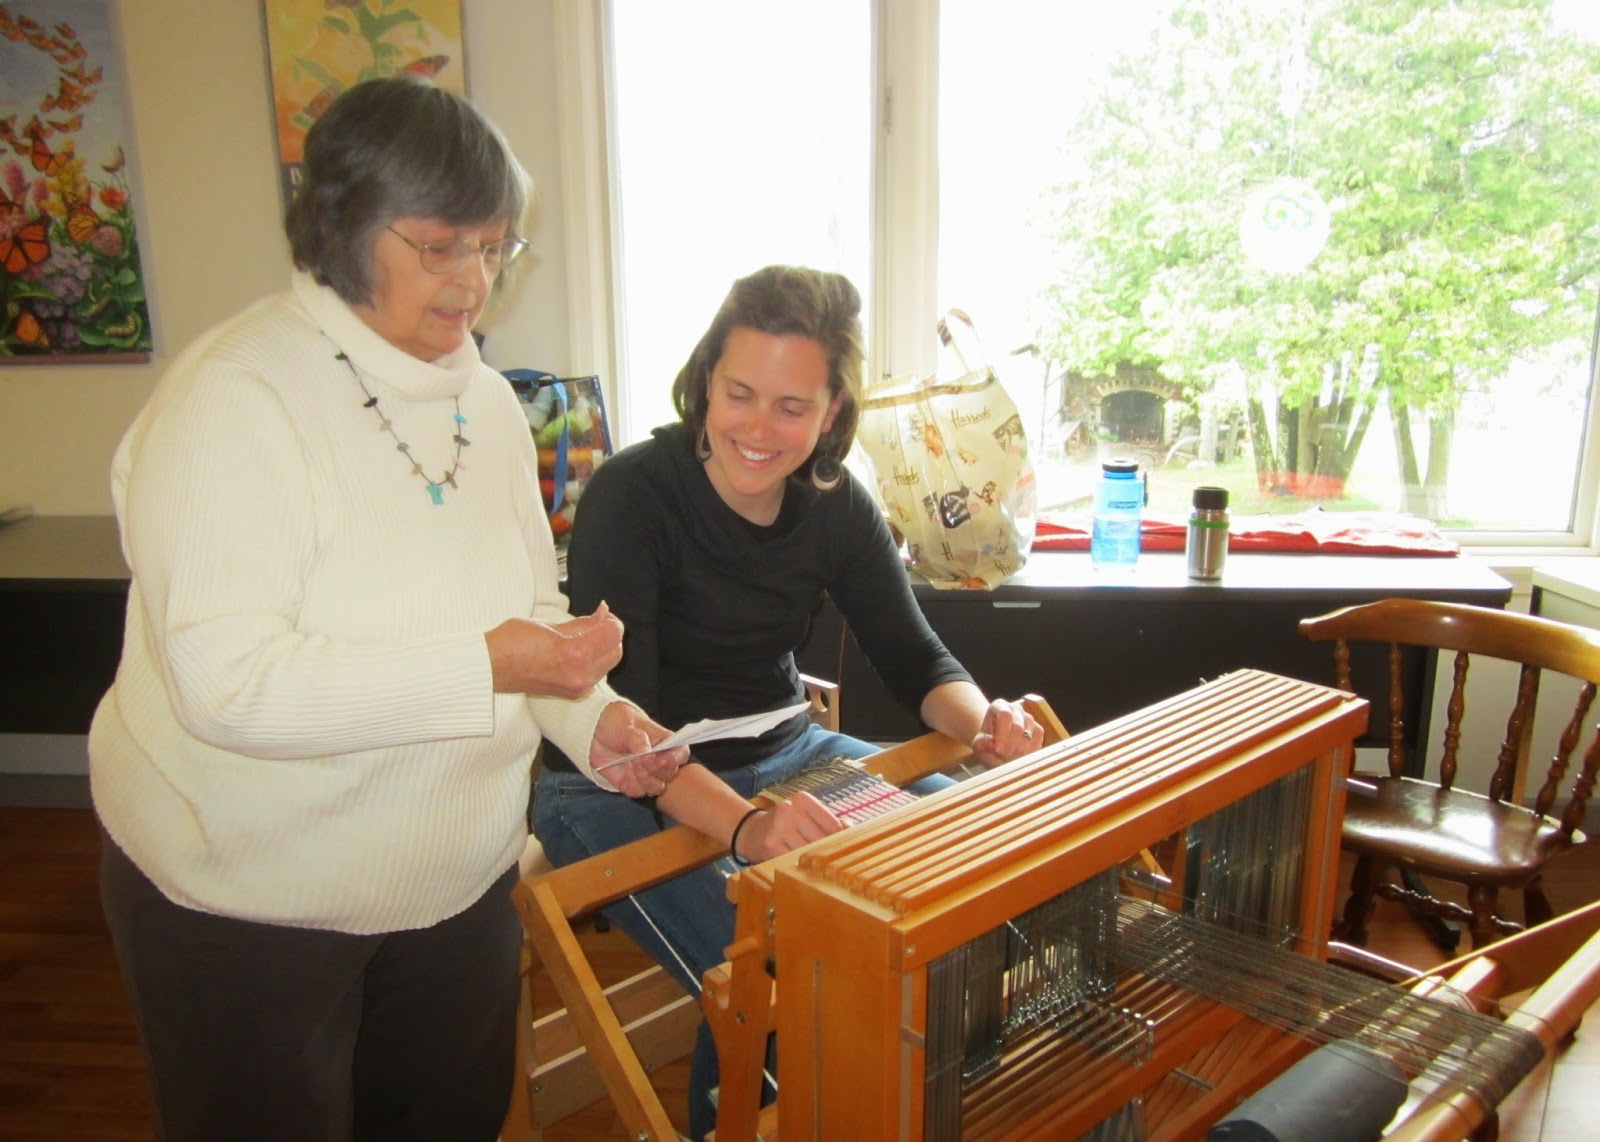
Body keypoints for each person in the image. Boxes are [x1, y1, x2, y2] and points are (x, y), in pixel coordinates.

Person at [88, 75, 685, 1142]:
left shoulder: (489, 402)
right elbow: (228, 688)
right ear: (343, 226)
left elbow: (525, 611)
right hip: (248, 898)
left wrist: (592, 719)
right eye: (440, 246)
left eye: (495, 248)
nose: (475, 284)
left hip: (457, 883)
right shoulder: (233, 399)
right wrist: (491, 665)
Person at [533, 264, 1044, 1138]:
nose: (759, 429)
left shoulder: (837, 506)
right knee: (777, 974)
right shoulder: (633, 496)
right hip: (615, 784)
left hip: (790, 754)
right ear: (705, 383)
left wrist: (986, 724)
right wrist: (743, 831)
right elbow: (632, 734)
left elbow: (915, 657)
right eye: (739, 394)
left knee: (980, 873)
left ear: (833, 412)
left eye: (792, 408)